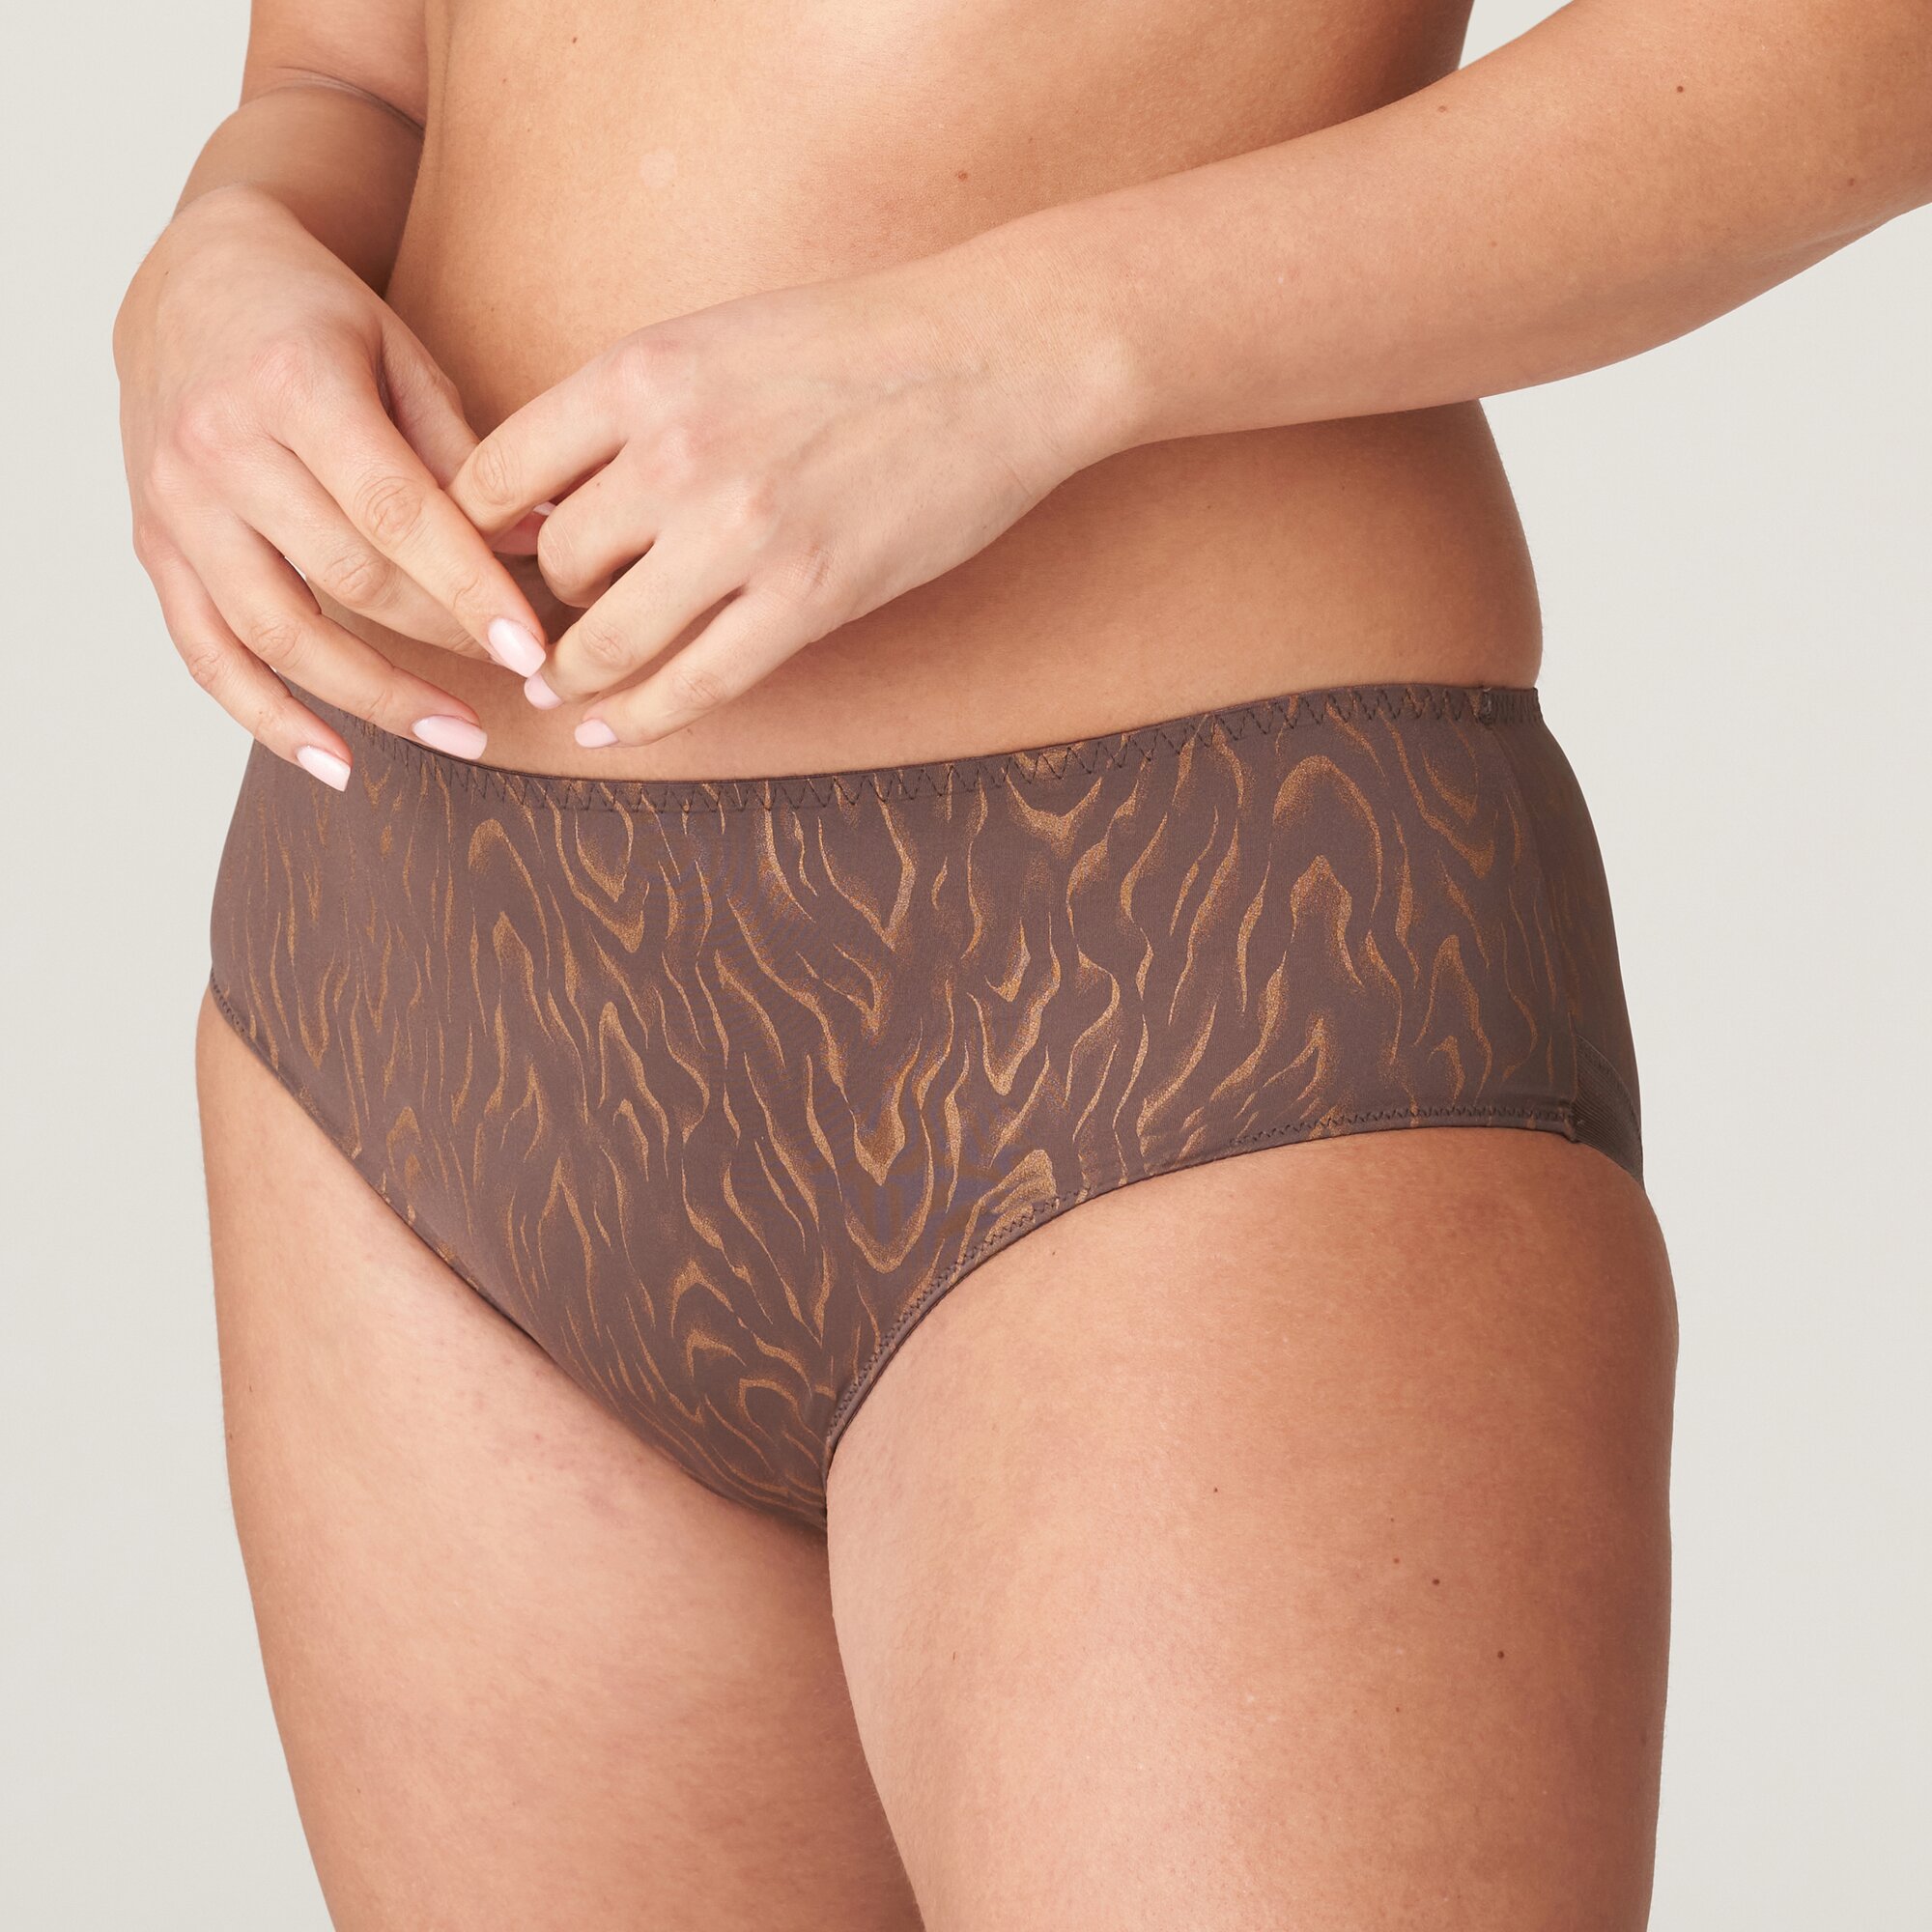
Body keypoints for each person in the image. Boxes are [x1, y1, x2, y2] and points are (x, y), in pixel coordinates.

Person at [111, 1, 1929, 1924]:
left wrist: (1041, 343)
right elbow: (357, 75)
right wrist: (230, 243)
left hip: (1180, 987)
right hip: (413, 971)